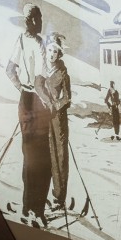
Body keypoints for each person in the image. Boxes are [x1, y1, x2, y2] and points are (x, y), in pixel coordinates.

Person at [5, 3, 51, 225]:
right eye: (39, 18)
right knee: (43, 160)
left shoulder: (20, 40)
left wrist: (21, 89)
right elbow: (40, 82)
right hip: (37, 103)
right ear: (33, 20)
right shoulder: (39, 44)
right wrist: (49, 102)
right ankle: (37, 210)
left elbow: (9, 70)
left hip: (25, 101)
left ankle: (28, 206)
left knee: (29, 156)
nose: (41, 22)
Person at [41, 34, 71, 211]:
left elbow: (67, 98)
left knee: (59, 158)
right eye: (50, 50)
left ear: (59, 54)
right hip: (43, 118)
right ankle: (42, 195)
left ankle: (59, 198)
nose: (52, 54)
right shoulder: (42, 69)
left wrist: (56, 106)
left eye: (55, 52)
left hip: (58, 121)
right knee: (45, 156)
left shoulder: (63, 73)